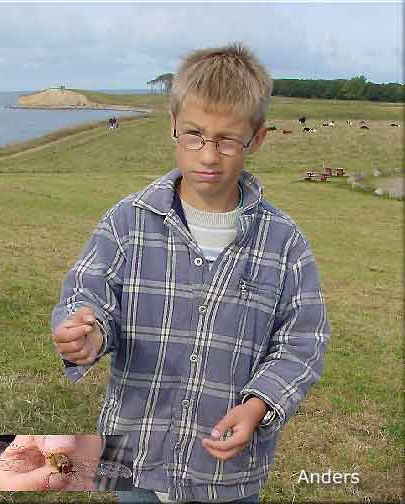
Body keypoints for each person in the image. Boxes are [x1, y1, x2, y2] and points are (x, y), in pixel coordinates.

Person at [51, 43, 331, 503]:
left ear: (255, 139)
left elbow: (303, 341)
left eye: (226, 140)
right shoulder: (127, 221)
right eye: (194, 135)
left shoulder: (284, 242)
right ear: (174, 128)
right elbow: (89, 294)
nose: (208, 155)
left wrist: (258, 405)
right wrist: (88, 334)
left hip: (228, 476)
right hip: (135, 461)